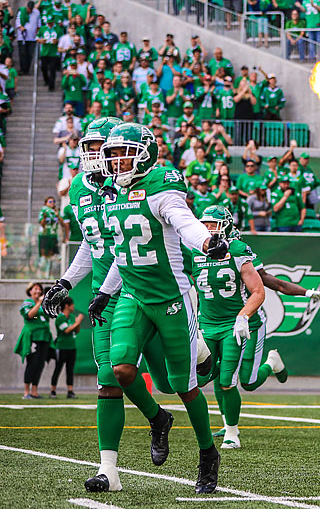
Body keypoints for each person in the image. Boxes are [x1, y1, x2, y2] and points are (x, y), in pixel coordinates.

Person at [41, 117, 187, 493]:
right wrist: (66, 282)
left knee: (175, 381)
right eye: (88, 147)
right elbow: (92, 243)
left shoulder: (135, 184)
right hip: (107, 297)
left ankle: (174, 392)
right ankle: (110, 470)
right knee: (109, 380)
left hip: (144, 290)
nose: (93, 154)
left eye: (100, 147)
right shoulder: (78, 188)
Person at [90, 122, 228, 493]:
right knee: (119, 369)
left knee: (184, 386)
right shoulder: (111, 195)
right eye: (113, 154)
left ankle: (207, 453)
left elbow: (185, 223)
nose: (118, 162)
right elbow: (124, 251)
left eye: (125, 154)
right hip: (133, 296)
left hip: (171, 298)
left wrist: (207, 242)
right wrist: (106, 291)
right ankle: (158, 419)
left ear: (146, 153)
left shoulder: (162, 188)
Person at [194, 205, 286, 450]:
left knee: (229, 379)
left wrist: (243, 316)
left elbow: (258, 290)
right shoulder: (193, 249)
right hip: (206, 323)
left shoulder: (237, 250)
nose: (208, 228)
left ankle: (232, 432)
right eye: (205, 223)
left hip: (232, 324)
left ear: (225, 225)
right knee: (201, 377)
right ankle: (226, 421)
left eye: (213, 223)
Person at [14, 283, 51, 399]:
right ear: (30, 291)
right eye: (35, 289)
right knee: (32, 364)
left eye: (39, 289)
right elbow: (30, 315)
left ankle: (34, 391)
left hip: (44, 337)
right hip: (33, 337)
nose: (38, 291)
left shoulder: (42, 306)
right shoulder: (28, 302)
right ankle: (26, 392)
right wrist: (39, 302)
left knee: (40, 364)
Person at [50, 297, 83, 399]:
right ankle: (53, 391)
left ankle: (70, 391)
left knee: (70, 370)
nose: (73, 306)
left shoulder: (72, 317)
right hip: (61, 347)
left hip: (72, 347)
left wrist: (77, 324)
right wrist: (77, 322)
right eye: (72, 304)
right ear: (67, 306)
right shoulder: (60, 318)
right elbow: (66, 330)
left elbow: (76, 331)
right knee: (58, 369)